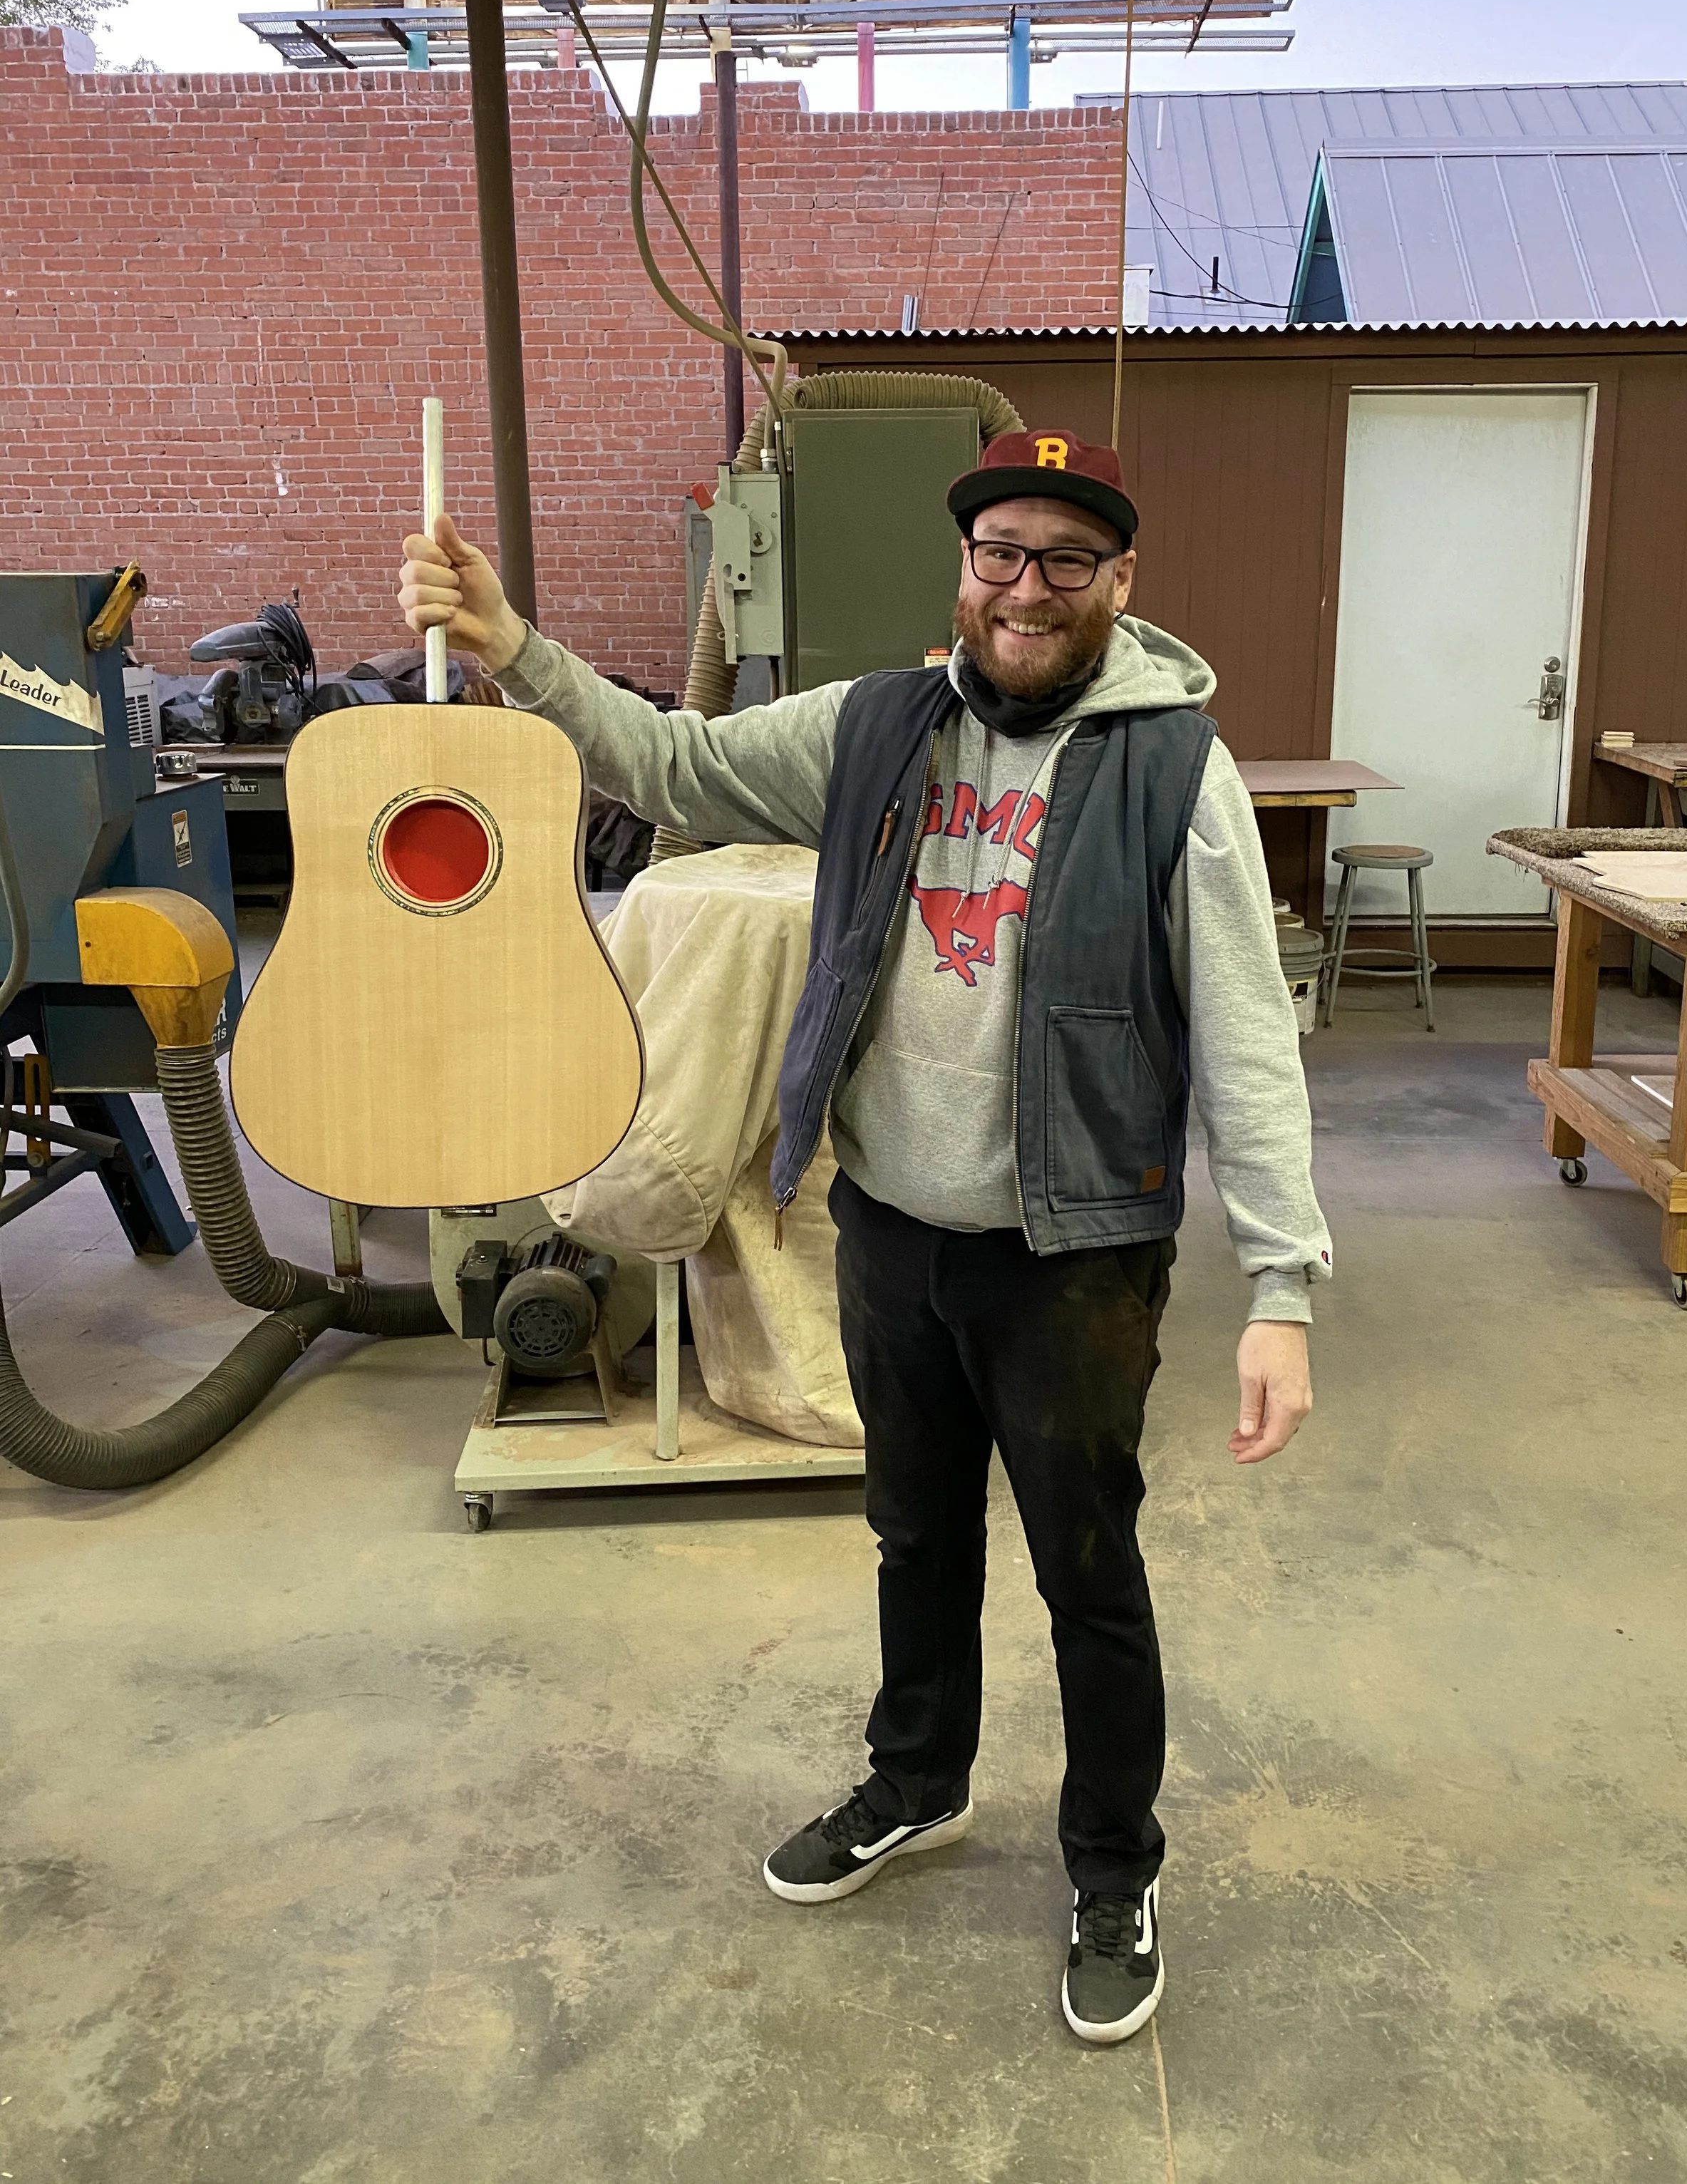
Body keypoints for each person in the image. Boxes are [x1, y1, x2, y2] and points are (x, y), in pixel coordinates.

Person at [399, 427, 1330, 2046]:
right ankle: (917, 1780)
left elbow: (1248, 1038)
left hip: (1077, 1255)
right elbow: (673, 766)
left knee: (1087, 1571)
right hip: (892, 1227)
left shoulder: (1177, 769)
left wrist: (1281, 1286)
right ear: (961, 572)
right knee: (915, 1539)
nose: (1023, 588)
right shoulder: (877, 726)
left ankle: (1112, 1867)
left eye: (1062, 560)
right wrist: (515, 651)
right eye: (997, 555)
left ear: (1120, 582)